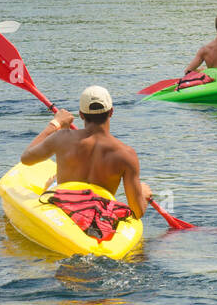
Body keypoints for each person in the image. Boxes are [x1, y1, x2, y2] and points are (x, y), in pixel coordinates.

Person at [19, 86, 152, 237]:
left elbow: (26, 158)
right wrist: (144, 195)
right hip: (97, 217)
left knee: (54, 182)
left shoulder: (61, 137)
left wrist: (55, 124)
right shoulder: (127, 154)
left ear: (81, 115)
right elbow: (137, 211)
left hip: (64, 209)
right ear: (111, 112)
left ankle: (53, 183)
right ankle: (54, 182)